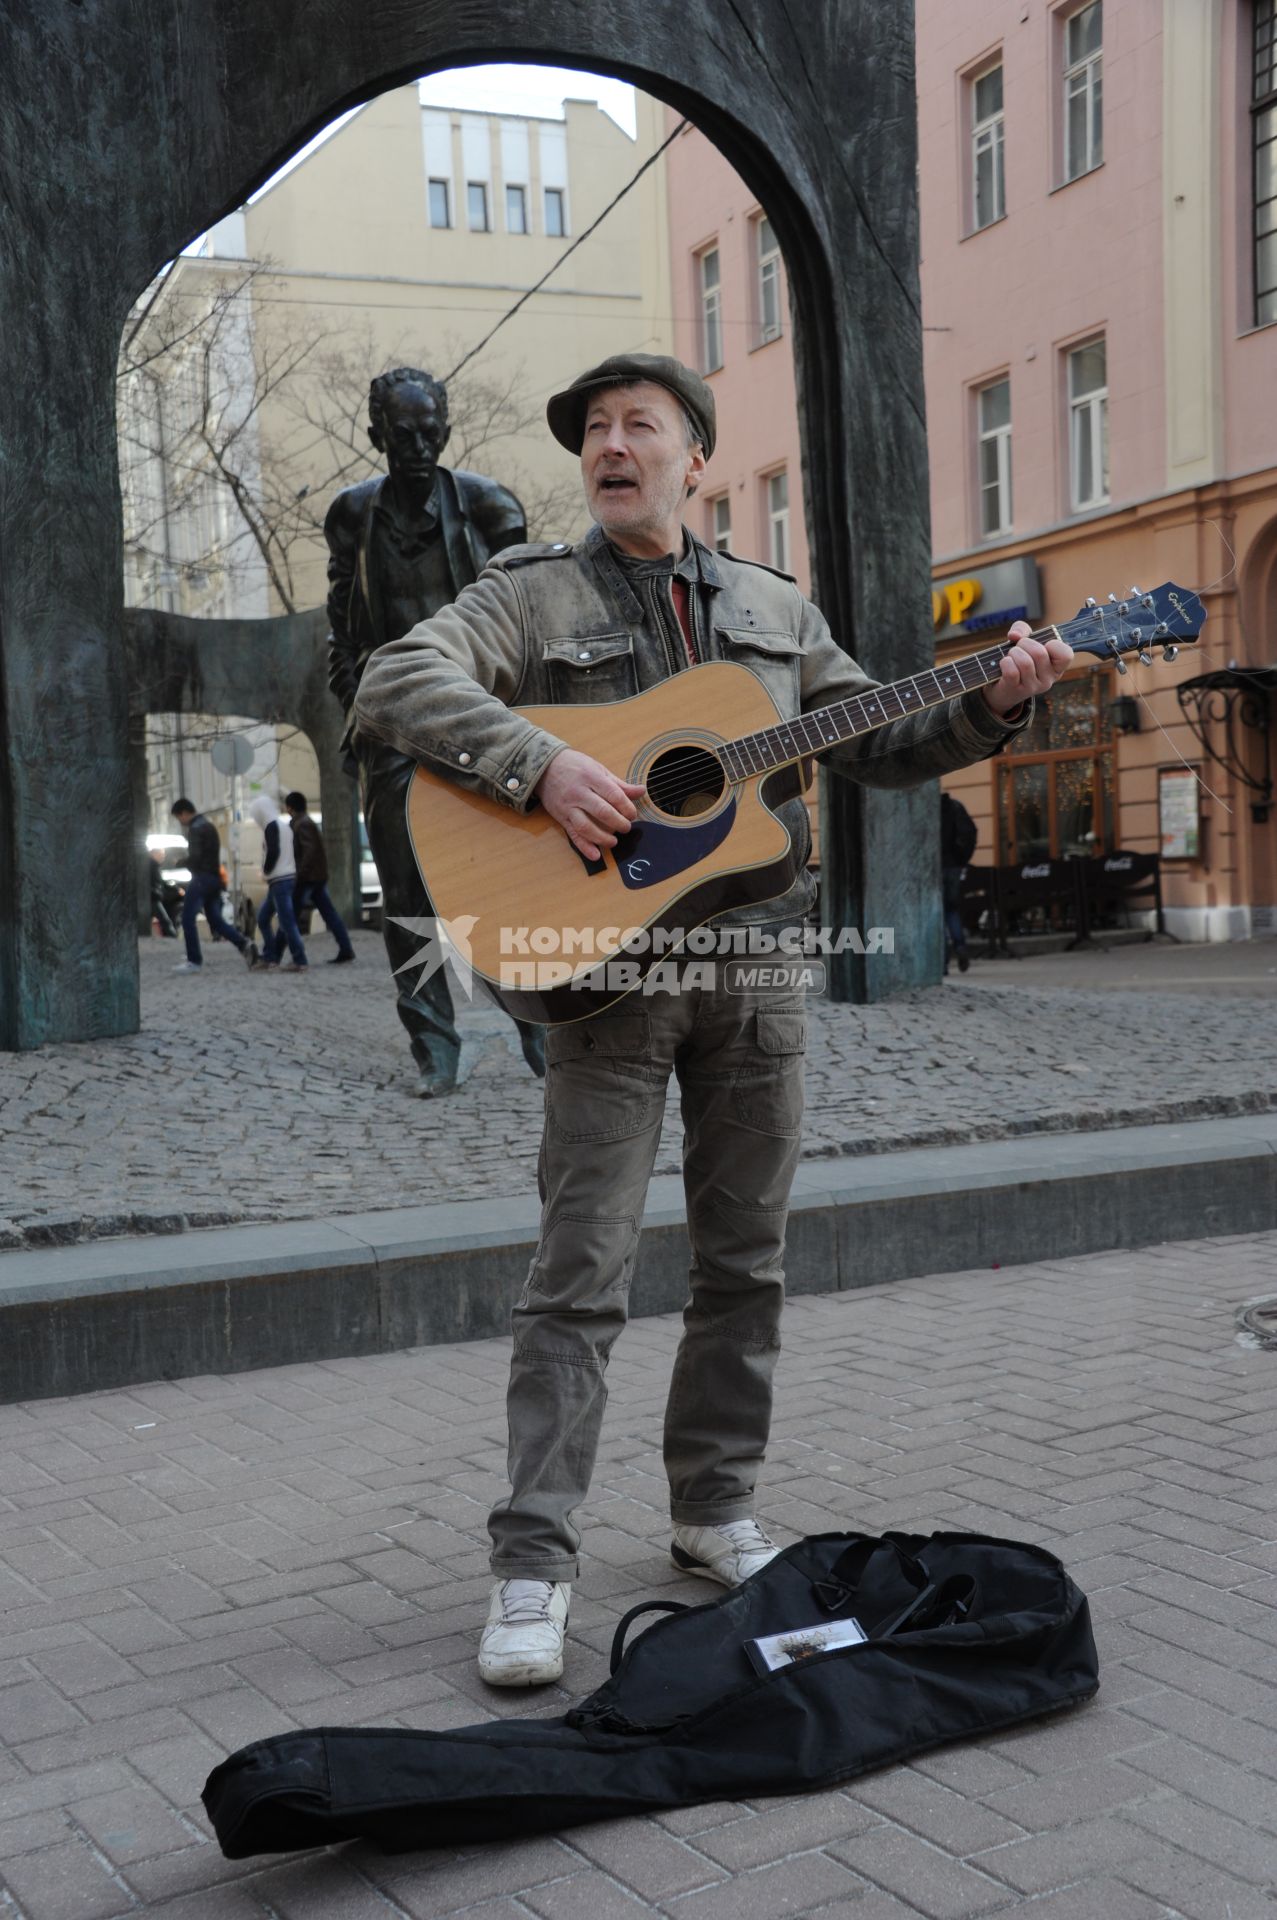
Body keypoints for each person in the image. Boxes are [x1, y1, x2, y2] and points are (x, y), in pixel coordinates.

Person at [353, 351, 1074, 1689]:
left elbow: (876, 737)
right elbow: (396, 683)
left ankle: (709, 1509)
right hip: (608, 988)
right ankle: (532, 1565)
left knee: (745, 1265)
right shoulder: (529, 594)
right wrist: (547, 763)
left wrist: (991, 702)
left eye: (642, 426)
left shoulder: (771, 609)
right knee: (579, 1281)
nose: (612, 445)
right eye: (595, 431)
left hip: (754, 977)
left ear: (694, 459)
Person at [325, 366, 546, 1095]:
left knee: (496, 887)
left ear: (445, 433)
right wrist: (358, 707)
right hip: (391, 727)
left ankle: (540, 1027)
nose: (417, 445)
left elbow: (525, 623)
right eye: (401, 432)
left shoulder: (487, 509)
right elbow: (342, 630)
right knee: (408, 899)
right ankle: (434, 1044)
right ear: (375, 435)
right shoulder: (353, 516)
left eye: (428, 432)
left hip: (478, 723)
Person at [169, 799, 259, 974]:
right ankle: (244, 944)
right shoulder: (209, 826)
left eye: (179, 817)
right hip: (214, 879)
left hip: (201, 879)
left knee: (188, 919)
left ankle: (194, 960)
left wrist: (179, 862)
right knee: (216, 921)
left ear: (185, 813)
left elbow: (195, 857)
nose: (180, 821)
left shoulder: (195, 829)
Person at [281, 792, 355, 965]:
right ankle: (346, 949)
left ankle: (275, 953)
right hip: (315, 878)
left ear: (290, 807)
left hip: (307, 879)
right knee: (329, 914)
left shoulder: (302, 824)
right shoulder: (302, 822)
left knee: (289, 916)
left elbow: (309, 852)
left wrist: (299, 874)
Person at [249, 795, 308, 973]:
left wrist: (266, 870)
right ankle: (271, 956)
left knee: (286, 922)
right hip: (286, 878)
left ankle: (299, 959)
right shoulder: (283, 825)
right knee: (264, 918)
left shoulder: (271, 827)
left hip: (279, 880)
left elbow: (273, 852)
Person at [941, 790, 979, 974]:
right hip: (953, 866)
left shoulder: (927, 809)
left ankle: (942, 959)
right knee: (951, 910)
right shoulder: (955, 807)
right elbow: (970, 832)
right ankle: (960, 946)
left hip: (932, 867)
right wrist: (962, 859)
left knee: (936, 914)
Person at [148, 852, 178, 938]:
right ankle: (173, 937)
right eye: (161, 854)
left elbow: (159, 882)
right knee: (165, 920)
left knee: (163, 920)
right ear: (155, 854)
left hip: (153, 896)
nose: (163, 857)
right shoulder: (152, 866)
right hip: (154, 897)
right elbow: (156, 882)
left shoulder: (154, 866)